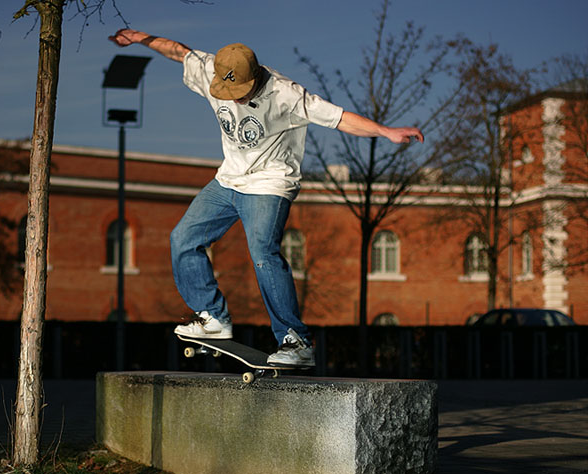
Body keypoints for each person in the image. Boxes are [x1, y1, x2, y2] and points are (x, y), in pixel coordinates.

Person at [109, 29, 424, 366]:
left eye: (240, 94)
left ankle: (296, 340)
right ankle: (213, 318)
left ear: (255, 78)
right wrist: (141, 38)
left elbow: (340, 119)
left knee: (263, 252)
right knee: (183, 238)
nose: (233, 100)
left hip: (270, 183)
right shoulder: (210, 69)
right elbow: (178, 51)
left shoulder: (286, 93)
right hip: (228, 180)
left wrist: (385, 131)